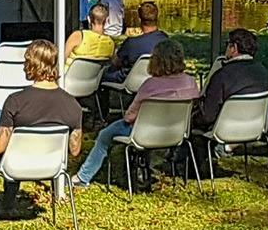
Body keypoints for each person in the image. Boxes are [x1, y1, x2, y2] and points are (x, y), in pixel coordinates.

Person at [0, 39, 85, 212]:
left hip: (16, 162)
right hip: (51, 165)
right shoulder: (73, 105)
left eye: (26, 62)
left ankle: (8, 203)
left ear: (32, 65)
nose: (23, 66)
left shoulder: (15, 101)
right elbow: (74, 150)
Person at [76, 40, 198, 187]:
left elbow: (129, 116)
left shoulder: (150, 85)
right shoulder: (191, 82)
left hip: (142, 132)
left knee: (104, 136)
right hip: (176, 132)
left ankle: (83, 177)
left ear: (156, 60)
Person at [192, 28, 268, 134]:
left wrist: (193, 118)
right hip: (255, 129)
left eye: (227, 44)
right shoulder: (262, 72)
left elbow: (208, 116)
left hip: (225, 132)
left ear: (234, 48)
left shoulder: (221, 76)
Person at [107, 1, 165, 81]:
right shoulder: (165, 40)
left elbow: (116, 63)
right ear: (157, 16)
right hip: (157, 80)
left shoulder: (131, 43)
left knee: (102, 74)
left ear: (139, 18)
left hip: (131, 81)